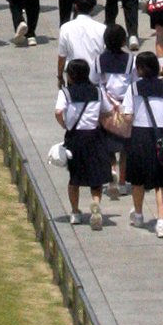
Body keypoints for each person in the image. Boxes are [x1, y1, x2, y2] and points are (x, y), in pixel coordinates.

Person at [53, 57, 116, 228]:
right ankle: (95, 203)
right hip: (94, 135)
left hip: (75, 137)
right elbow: (108, 111)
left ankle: (75, 212)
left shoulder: (65, 92)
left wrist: (65, 124)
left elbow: (58, 112)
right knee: (96, 175)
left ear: (71, 75)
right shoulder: (97, 91)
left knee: (75, 176)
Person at [125, 51, 163, 237]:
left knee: (137, 180)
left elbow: (127, 114)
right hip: (162, 135)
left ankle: (138, 215)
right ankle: (162, 222)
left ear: (140, 68)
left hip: (140, 134)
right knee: (160, 183)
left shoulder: (134, 88)